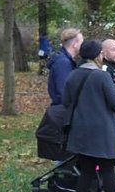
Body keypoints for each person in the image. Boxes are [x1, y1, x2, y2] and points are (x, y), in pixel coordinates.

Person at [62, 40, 115, 192]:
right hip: (103, 131)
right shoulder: (102, 76)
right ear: (98, 55)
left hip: (81, 130)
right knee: (107, 170)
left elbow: (66, 101)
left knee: (86, 170)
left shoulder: (73, 75)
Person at [36, 28, 84, 161]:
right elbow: (64, 92)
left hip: (64, 111)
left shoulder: (65, 61)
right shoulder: (63, 63)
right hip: (63, 113)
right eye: (81, 41)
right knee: (64, 156)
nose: (83, 45)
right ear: (75, 44)